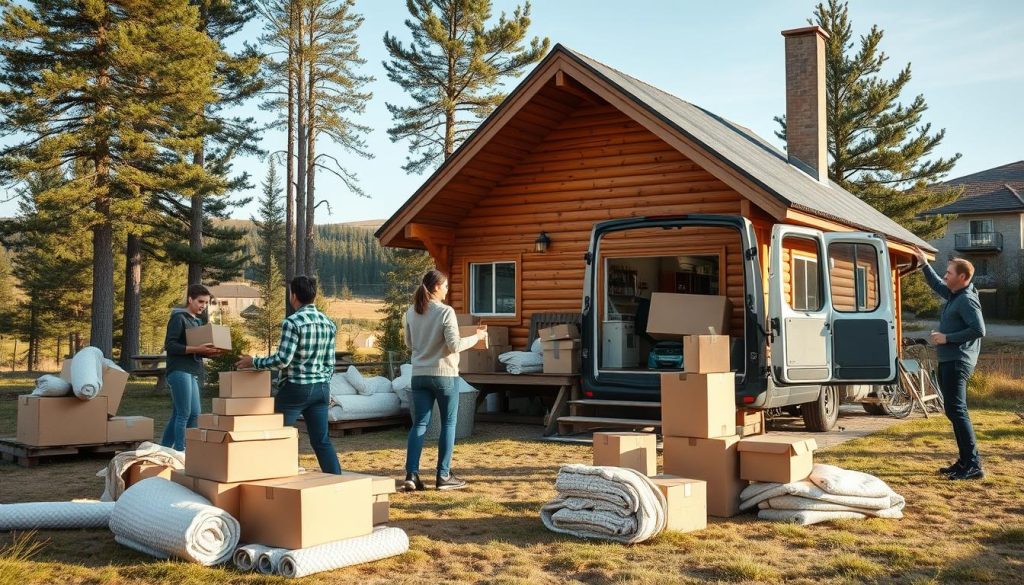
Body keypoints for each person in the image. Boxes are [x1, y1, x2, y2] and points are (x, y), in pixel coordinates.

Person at [236, 276, 340, 474]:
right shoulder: (329, 323)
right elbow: (330, 363)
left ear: (293, 296)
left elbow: (283, 359)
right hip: (321, 389)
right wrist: (322, 380)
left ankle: (271, 476)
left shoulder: (292, 323)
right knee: (321, 440)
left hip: (296, 389)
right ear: (314, 295)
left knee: (274, 434)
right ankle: (338, 481)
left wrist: (254, 361)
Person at [402, 269, 487, 492]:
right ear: (437, 287)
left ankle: (411, 475)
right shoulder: (445, 312)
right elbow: (455, 346)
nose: (448, 290)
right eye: (446, 286)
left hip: (419, 374)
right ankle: (443, 475)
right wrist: (477, 337)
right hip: (444, 374)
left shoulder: (411, 312)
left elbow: (410, 344)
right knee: (448, 424)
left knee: (419, 423)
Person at [913, 247, 986, 480]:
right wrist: (924, 264)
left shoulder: (966, 300)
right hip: (949, 359)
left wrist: (947, 338)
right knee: (953, 411)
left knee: (957, 411)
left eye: (949, 273)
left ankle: (973, 464)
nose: (945, 276)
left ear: (962, 277)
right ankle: (965, 461)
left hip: (958, 361)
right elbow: (936, 285)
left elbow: (978, 329)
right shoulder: (955, 295)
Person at [160, 284, 223, 451]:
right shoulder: (178, 318)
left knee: (194, 413)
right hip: (179, 370)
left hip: (192, 370)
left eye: (206, 303)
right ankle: (182, 451)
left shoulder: (197, 321)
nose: (203, 305)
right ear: (190, 299)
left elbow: (195, 348)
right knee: (183, 414)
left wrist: (209, 353)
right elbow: (171, 346)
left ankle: (163, 448)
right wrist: (198, 349)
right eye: (200, 301)